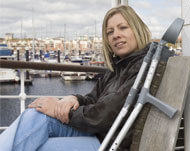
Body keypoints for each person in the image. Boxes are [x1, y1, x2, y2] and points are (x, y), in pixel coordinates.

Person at [0, 5, 168, 151]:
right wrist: (74, 99)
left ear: (137, 29)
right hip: (100, 136)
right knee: (35, 116)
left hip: (111, 143)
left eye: (123, 28)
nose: (115, 35)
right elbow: (92, 98)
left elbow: (105, 116)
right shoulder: (117, 68)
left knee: (37, 138)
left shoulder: (143, 68)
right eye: (110, 32)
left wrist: (62, 111)